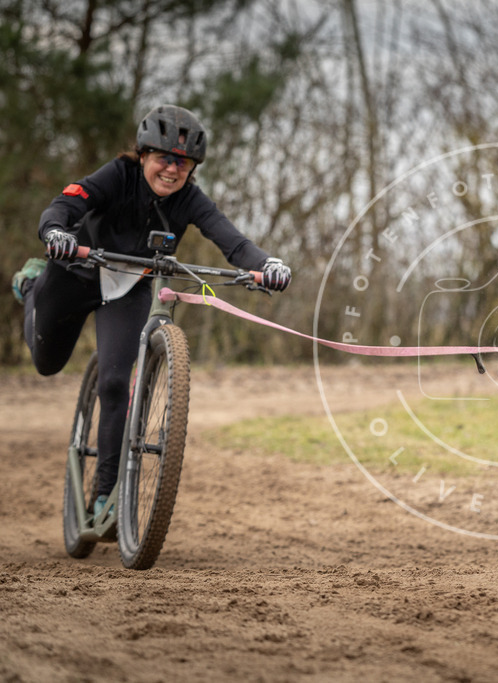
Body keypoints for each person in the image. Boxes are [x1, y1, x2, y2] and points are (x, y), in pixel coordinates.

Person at [11, 104, 291, 518]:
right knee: (47, 364)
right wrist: (55, 232)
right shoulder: (117, 175)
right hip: (76, 273)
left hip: (130, 286)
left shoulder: (191, 200)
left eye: (184, 164)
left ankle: (105, 496)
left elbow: (232, 241)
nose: (173, 171)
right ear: (143, 154)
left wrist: (267, 264)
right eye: (164, 159)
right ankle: (31, 285)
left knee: (115, 382)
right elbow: (65, 204)